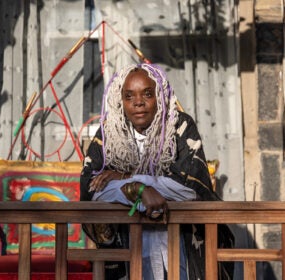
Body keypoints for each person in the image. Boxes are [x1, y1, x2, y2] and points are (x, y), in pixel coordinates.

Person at [80, 63, 234, 280]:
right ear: (120, 101)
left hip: (180, 244)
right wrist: (136, 189)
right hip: (128, 247)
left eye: (147, 94)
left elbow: (189, 189)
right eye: (129, 96)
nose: (138, 103)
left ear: (159, 96)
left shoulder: (179, 126)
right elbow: (93, 192)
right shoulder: (108, 134)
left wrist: (129, 179)